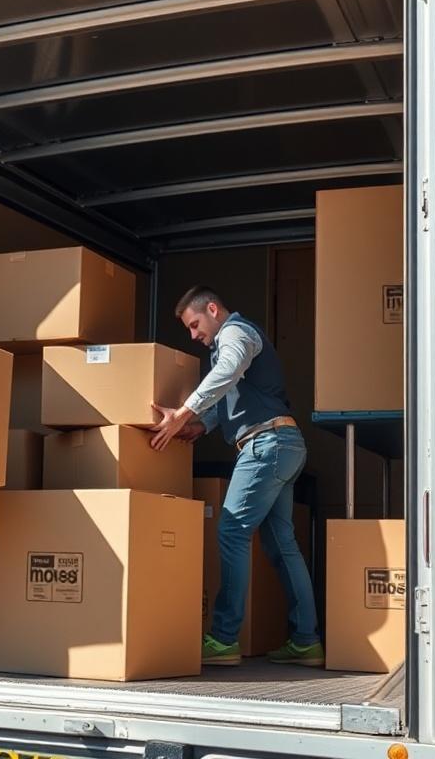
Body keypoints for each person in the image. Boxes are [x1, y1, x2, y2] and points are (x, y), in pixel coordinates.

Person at [150, 285, 322, 667]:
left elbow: (229, 371)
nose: (194, 335)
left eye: (195, 324)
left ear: (213, 309)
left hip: (266, 445)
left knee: (231, 531)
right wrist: (201, 426)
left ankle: (224, 638)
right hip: (282, 443)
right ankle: (306, 640)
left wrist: (182, 412)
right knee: (282, 545)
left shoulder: (235, 333)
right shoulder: (230, 341)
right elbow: (236, 390)